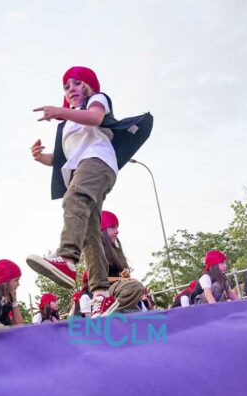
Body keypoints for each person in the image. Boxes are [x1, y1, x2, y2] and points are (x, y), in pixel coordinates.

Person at [26, 66, 153, 319]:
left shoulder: (96, 100)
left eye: (75, 84)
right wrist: (42, 158)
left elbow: (95, 119)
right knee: (91, 235)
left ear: (87, 86)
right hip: (82, 166)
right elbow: (65, 157)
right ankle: (101, 295)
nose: (70, 90)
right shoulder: (67, 126)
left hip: (98, 162)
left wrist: (61, 111)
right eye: (65, 87)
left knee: (74, 199)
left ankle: (67, 259)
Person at [101, 211, 145, 312]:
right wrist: (120, 279)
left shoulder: (117, 251)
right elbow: (98, 280)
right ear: (101, 230)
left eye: (117, 227)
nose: (117, 231)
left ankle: (120, 312)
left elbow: (124, 277)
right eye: (112, 227)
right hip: (102, 291)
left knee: (137, 287)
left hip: (118, 288)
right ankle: (108, 312)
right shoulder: (95, 251)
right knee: (135, 286)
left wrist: (126, 274)